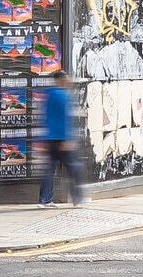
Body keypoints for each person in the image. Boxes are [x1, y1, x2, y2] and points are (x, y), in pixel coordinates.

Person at [37, 70, 87, 208]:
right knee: (74, 168)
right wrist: (68, 139)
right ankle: (78, 198)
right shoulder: (63, 96)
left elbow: (45, 117)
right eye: (65, 80)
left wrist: (44, 139)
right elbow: (65, 119)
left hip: (50, 138)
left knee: (49, 170)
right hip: (62, 139)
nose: (68, 82)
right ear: (60, 81)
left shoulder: (48, 96)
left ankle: (44, 200)